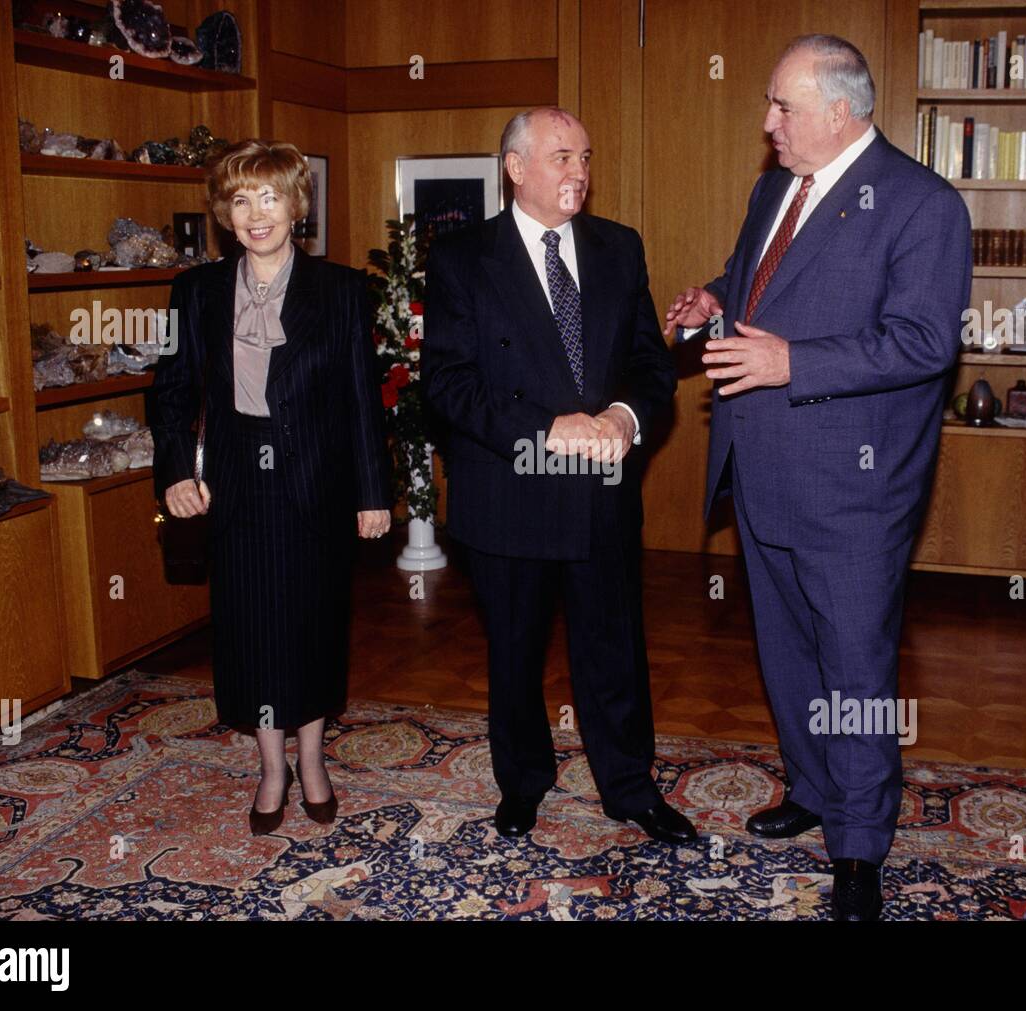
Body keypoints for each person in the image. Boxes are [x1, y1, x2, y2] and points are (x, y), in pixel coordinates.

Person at [664, 35, 972, 919]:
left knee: (857, 666)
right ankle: (810, 786)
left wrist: (793, 361)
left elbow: (922, 342)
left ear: (840, 111)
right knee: (787, 649)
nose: (767, 124)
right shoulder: (776, 188)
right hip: (760, 466)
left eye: (782, 108)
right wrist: (717, 300)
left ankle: (861, 843)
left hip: (855, 485)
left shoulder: (923, 205)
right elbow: (759, 281)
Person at [422, 107, 692, 844]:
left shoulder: (619, 247)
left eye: (585, 155)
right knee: (514, 653)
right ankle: (522, 784)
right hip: (509, 493)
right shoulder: (460, 257)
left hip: (602, 493)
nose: (579, 171)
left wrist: (624, 418)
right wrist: (547, 430)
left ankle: (631, 790)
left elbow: (649, 362)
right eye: (562, 156)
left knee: (614, 650)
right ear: (515, 168)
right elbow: (446, 385)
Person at [148, 139, 393, 836]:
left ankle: (312, 758)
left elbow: (360, 401)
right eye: (240, 199)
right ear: (225, 213)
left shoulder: (342, 290)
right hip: (234, 481)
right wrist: (174, 474)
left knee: (312, 621)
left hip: (316, 478)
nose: (256, 213)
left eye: (270, 197)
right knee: (250, 625)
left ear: (295, 205)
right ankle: (270, 766)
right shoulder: (195, 292)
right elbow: (169, 394)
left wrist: (373, 493)